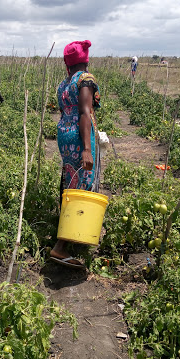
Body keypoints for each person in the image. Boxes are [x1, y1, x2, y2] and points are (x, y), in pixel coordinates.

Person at [49, 40, 101, 269]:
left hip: (65, 135)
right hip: (80, 137)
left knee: (70, 181)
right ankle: (62, 246)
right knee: (82, 185)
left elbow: (67, 111)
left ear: (67, 64)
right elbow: (84, 112)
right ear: (86, 61)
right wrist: (87, 149)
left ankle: (72, 229)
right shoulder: (85, 80)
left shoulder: (64, 84)